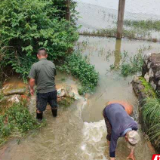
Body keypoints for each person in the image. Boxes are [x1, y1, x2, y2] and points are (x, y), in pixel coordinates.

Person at [29, 48, 57, 120]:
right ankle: (55, 117)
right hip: (53, 91)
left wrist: (31, 89)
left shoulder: (35, 66)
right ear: (46, 55)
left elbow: (32, 80)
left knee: (39, 109)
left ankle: (39, 123)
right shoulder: (52, 64)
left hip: (42, 92)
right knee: (54, 106)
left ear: (38, 55)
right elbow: (54, 76)